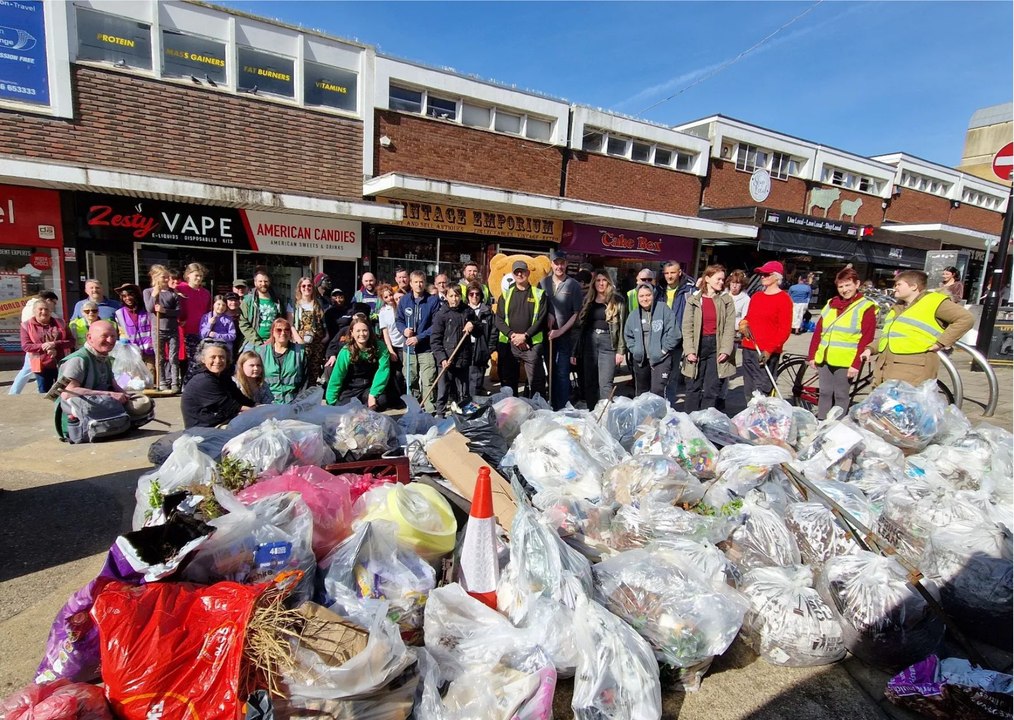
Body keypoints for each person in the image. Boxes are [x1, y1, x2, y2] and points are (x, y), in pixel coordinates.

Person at [873, 269, 974, 387]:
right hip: (887, 367)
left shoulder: (933, 301)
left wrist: (941, 343)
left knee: (906, 403)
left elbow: (966, 319)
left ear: (914, 286)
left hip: (913, 369)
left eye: (899, 284)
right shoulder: (898, 306)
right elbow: (889, 335)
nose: (895, 287)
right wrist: (871, 348)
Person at [53, 320, 153, 437]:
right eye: (104, 336)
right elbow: (67, 393)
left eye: (113, 336)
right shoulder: (77, 360)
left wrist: (126, 396)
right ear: (89, 338)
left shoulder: (104, 356)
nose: (110, 341)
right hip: (81, 410)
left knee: (143, 403)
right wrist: (109, 395)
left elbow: (113, 385)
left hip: (101, 401)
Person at [807, 267, 879, 420]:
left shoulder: (865, 306)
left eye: (848, 285)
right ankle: (822, 422)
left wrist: (856, 364)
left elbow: (866, 338)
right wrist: (812, 355)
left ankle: (837, 425)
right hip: (825, 357)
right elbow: (819, 331)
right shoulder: (831, 304)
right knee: (825, 392)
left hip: (846, 360)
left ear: (857, 284)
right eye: (841, 286)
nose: (844, 290)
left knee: (841, 394)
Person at [682, 265, 736, 412]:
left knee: (712, 387)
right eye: (718, 279)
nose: (721, 282)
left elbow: (729, 327)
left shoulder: (726, 301)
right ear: (707, 279)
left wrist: (726, 349)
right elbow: (687, 327)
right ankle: (690, 421)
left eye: (722, 279)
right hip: (698, 345)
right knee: (693, 386)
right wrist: (689, 350)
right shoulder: (693, 300)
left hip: (716, 346)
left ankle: (707, 420)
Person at [494, 260, 548, 399]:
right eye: (517, 271)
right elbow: (498, 319)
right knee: (509, 383)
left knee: (536, 382)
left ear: (528, 273)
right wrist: (513, 336)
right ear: (513, 274)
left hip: (532, 345)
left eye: (522, 271)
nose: (520, 274)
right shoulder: (505, 295)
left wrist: (525, 336)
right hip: (510, 344)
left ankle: (538, 412)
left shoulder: (539, 294)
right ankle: (512, 412)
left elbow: (541, 320)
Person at [572, 271, 626, 407]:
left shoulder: (618, 300)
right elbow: (581, 328)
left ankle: (605, 415)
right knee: (589, 382)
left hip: (608, 342)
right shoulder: (588, 299)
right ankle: (592, 413)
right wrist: (575, 350)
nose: (601, 283)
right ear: (593, 283)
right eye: (598, 280)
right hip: (590, 343)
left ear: (608, 282)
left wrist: (621, 351)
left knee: (605, 384)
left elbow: (623, 327)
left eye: (604, 280)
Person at [740, 261, 793, 399]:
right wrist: (744, 323)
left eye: (766, 274)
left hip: (766, 352)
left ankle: (762, 419)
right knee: (749, 391)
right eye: (761, 274)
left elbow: (784, 330)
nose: (762, 277)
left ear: (777, 277)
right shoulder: (757, 297)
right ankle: (749, 419)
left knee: (762, 392)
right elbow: (749, 317)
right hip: (749, 348)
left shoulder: (784, 299)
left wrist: (769, 350)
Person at [540, 251, 583, 409]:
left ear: (566, 264)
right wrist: (549, 314)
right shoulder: (543, 283)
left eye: (562, 263)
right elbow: (540, 307)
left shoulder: (573, 285)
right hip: (547, 337)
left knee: (562, 373)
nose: (559, 266)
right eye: (556, 263)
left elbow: (576, 314)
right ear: (551, 264)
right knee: (550, 372)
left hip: (565, 337)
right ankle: (551, 405)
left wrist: (560, 331)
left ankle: (562, 408)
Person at [181, 341, 255, 429]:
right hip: (203, 430)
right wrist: (258, 412)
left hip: (221, 421)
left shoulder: (223, 376)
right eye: (213, 357)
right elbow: (232, 407)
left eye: (222, 357)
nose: (218, 361)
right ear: (203, 359)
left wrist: (259, 406)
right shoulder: (203, 380)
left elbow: (241, 398)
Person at [324, 314, 391, 410]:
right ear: (352, 333)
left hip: (369, 387)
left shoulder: (380, 346)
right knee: (344, 408)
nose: (362, 334)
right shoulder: (346, 351)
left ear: (369, 331)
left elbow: (383, 370)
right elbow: (337, 376)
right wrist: (330, 402)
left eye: (365, 330)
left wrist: (373, 394)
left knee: (381, 401)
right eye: (358, 331)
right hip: (351, 388)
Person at [624, 283, 678, 397]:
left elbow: (674, 332)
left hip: (661, 359)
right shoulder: (633, 315)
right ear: (637, 298)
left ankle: (657, 415)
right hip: (641, 360)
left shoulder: (663, 309)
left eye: (648, 295)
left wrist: (663, 350)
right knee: (642, 393)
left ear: (653, 295)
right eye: (641, 296)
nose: (645, 299)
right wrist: (635, 350)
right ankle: (644, 415)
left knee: (657, 391)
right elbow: (628, 336)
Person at [397, 270, 440, 412]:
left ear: (425, 283)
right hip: (409, 349)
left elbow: (435, 325)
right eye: (416, 282)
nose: (419, 284)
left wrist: (418, 337)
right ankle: (414, 408)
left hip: (426, 349)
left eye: (421, 281)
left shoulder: (433, 301)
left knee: (428, 380)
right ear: (411, 283)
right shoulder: (404, 300)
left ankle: (429, 410)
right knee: (411, 380)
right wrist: (404, 330)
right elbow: (399, 320)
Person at [431, 285, 476, 415]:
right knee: (443, 389)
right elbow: (435, 339)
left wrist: (473, 324)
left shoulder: (467, 311)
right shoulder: (441, 314)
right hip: (447, 358)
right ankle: (440, 413)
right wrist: (442, 358)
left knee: (463, 389)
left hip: (463, 357)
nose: (454, 299)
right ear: (446, 296)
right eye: (451, 296)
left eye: (457, 295)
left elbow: (479, 330)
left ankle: (464, 413)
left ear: (461, 296)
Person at [10, 291, 60, 395]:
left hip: (37, 349)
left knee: (27, 370)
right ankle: (14, 392)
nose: (53, 306)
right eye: (54, 303)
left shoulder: (29, 307)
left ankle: (14, 392)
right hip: (38, 349)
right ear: (48, 300)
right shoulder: (35, 310)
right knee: (30, 370)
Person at [661, 261, 696, 406]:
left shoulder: (689, 290)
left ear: (680, 272)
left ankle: (669, 404)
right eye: (667, 273)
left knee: (673, 374)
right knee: (658, 374)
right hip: (660, 336)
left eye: (672, 272)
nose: (669, 276)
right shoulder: (658, 289)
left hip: (678, 337)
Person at [20, 299, 73, 393]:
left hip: (62, 364)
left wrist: (54, 344)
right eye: (40, 309)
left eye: (46, 309)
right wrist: (43, 346)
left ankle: (60, 407)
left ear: (50, 311)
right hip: (41, 366)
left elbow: (71, 341)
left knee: (62, 392)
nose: (44, 312)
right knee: (44, 393)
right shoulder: (26, 326)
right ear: (34, 311)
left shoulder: (61, 323)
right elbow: (26, 346)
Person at [143, 264, 181, 393]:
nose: (166, 279)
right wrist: (154, 295)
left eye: (167, 277)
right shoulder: (148, 292)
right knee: (159, 357)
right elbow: (149, 308)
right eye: (163, 277)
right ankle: (162, 381)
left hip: (172, 330)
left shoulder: (172, 294)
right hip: (157, 330)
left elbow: (178, 311)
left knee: (173, 357)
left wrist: (165, 311)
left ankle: (175, 382)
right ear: (155, 277)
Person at [255, 318, 306, 404]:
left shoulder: (300, 352)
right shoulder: (261, 352)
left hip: (293, 403)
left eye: (286, 330)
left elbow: (306, 382)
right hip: (268, 403)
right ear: (273, 332)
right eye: (279, 330)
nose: (283, 333)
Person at [178, 263, 213, 386]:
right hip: (183, 330)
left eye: (201, 276)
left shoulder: (206, 293)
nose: (199, 278)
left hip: (200, 331)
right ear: (188, 275)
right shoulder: (180, 289)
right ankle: (185, 385)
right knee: (184, 360)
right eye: (196, 275)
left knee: (197, 360)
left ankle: (194, 385)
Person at [289, 276, 327, 384]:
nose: (307, 288)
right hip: (300, 344)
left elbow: (322, 323)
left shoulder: (318, 304)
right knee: (300, 371)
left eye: (309, 285)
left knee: (313, 373)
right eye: (304, 286)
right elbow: (290, 325)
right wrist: (299, 341)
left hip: (316, 345)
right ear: (300, 288)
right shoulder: (294, 304)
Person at [239, 268, 284, 350]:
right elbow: (243, 323)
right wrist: (257, 342)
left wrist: (273, 338)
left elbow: (281, 320)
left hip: (273, 342)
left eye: (266, 281)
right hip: (252, 343)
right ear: (255, 283)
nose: (263, 284)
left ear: (269, 282)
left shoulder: (277, 300)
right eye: (260, 281)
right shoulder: (248, 300)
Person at [465, 281, 495, 397]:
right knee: (466, 377)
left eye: (477, 294)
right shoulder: (463, 310)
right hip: (466, 348)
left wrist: (490, 348)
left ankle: (475, 401)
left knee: (477, 377)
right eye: (471, 294)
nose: (474, 297)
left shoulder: (487, 312)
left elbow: (493, 331)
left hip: (481, 348)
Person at [377, 283, 406, 400]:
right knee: (397, 374)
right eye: (386, 297)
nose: (390, 298)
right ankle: (398, 398)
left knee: (406, 372)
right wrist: (390, 350)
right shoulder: (383, 312)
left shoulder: (401, 306)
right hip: (393, 345)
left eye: (390, 295)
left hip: (405, 344)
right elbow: (385, 333)